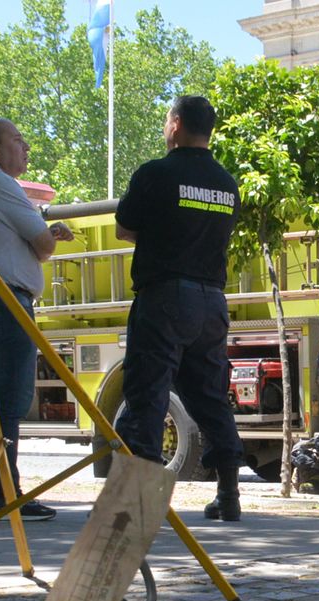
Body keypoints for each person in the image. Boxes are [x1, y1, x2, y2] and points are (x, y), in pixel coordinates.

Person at [114, 95, 245, 521]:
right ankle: (228, 495)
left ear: (174, 124)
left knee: (148, 393)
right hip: (212, 301)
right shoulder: (227, 183)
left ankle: (139, 506)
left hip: (166, 296)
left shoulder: (156, 173)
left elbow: (124, 228)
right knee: (210, 396)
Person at [0, 117, 73, 522]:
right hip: (3, 300)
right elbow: (41, 246)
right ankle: (2, 491)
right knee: (7, 401)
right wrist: (46, 236)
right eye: (18, 140)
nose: (25, 149)